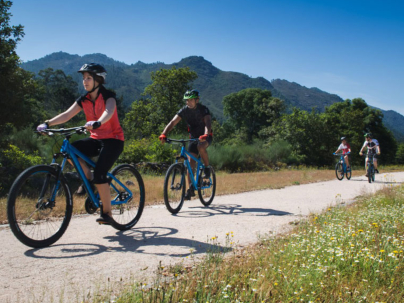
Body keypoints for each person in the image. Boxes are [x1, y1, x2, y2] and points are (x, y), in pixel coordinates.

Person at [36, 63, 124, 225]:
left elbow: (109, 111)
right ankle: (89, 180)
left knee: (100, 173)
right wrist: (47, 123)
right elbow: (67, 115)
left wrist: (98, 122)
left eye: (89, 78)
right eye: (83, 78)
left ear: (98, 80)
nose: (85, 81)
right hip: (96, 139)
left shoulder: (108, 96)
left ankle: (107, 213)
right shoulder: (84, 100)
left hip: (113, 140)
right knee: (71, 150)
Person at [159, 89, 212, 200]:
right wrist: (164, 134)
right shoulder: (184, 111)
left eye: (191, 100)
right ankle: (190, 189)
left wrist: (205, 134)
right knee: (190, 162)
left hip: (205, 136)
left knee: (201, 147)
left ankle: (207, 168)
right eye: (186, 100)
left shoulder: (203, 109)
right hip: (193, 138)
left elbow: (207, 123)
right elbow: (172, 122)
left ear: (197, 100)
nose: (188, 102)